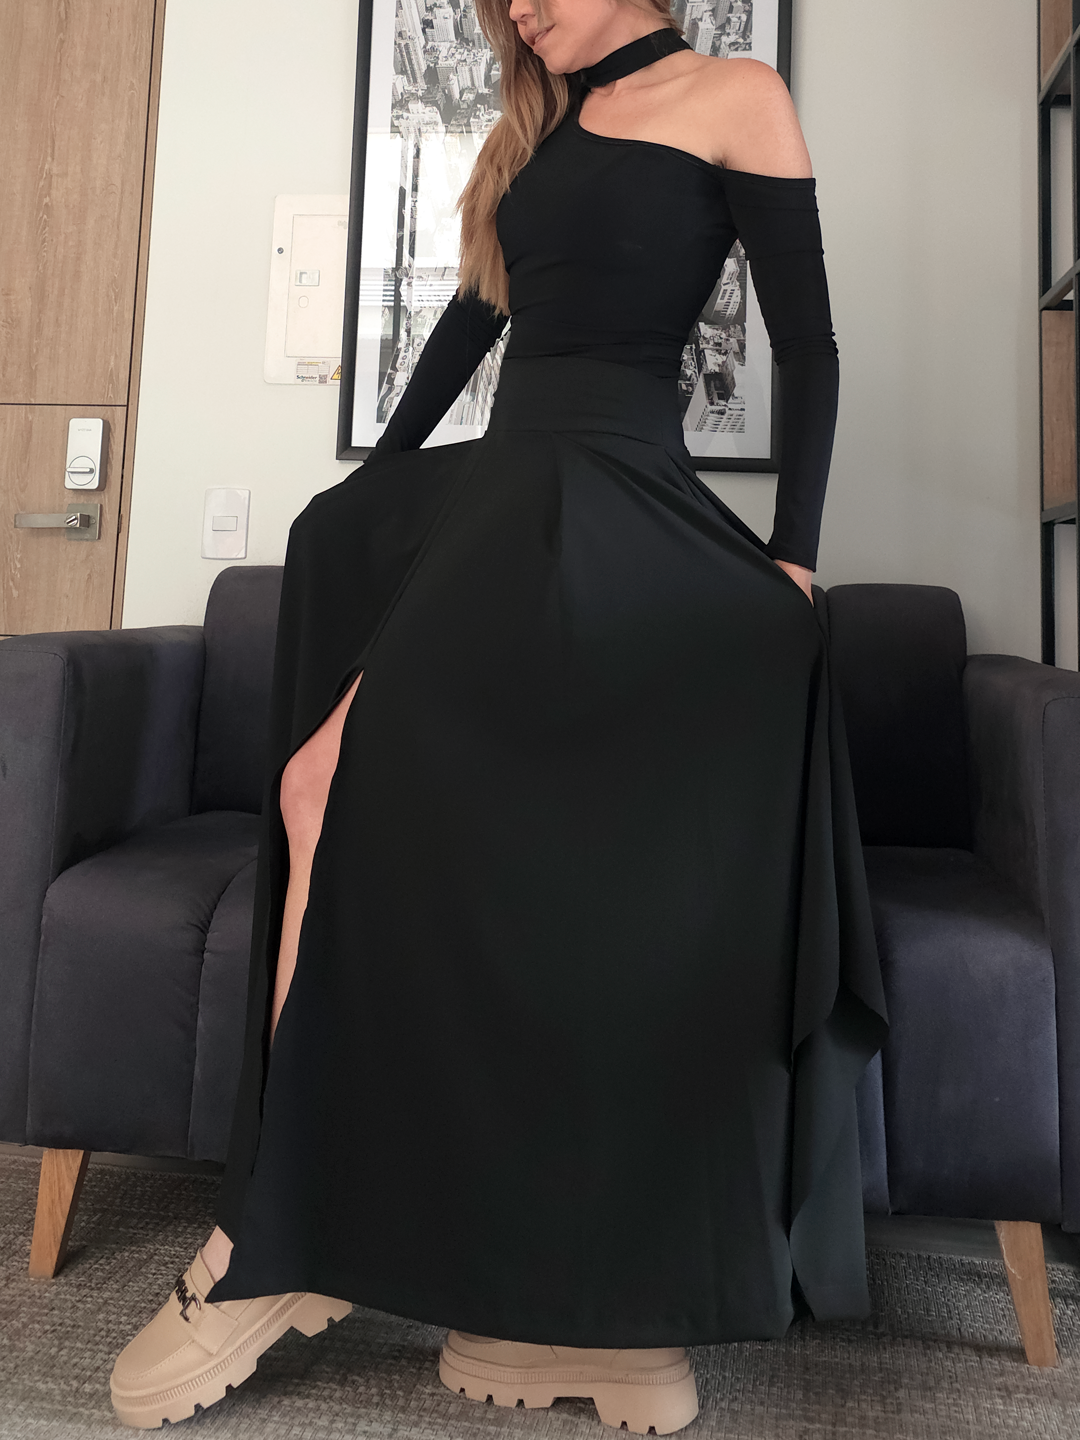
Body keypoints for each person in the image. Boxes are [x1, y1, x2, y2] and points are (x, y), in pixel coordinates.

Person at [109, 0, 887, 1433]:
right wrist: (371, 486)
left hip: (619, 511)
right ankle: (290, 1223)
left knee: (449, 834)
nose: (515, 8)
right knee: (320, 789)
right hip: (504, 509)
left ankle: (415, 1261)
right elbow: (473, 325)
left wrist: (794, 564)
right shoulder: (537, 130)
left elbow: (814, 349)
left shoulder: (738, 99)